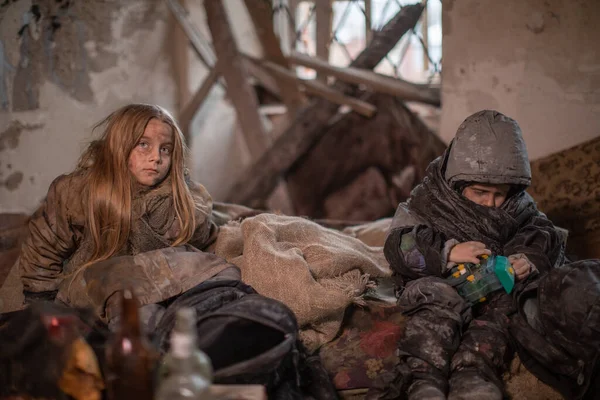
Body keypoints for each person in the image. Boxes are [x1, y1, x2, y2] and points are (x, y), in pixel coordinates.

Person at [380, 110, 565, 399]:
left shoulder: (519, 208)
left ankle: (473, 373)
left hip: (494, 287)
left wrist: (524, 260)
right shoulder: (431, 200)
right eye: (479, 192)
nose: (490, 203)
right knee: (434, 298)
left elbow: (541, 236)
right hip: (441, 282)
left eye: (499, 194)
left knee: (510, 304)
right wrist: (447, 251)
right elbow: (399, 244)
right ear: (457, 184)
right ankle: (423, 378)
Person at [18, 104, 235, 328]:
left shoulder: (182, 198)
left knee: (225, 272)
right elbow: (42, 253)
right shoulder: (78, 192)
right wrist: (42, 311)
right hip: (98, 283)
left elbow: (199, 243)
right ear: (120, 146)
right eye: (143, 145)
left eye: (165, 149)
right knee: (139, 314)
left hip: (157, 280)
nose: (156, 158)